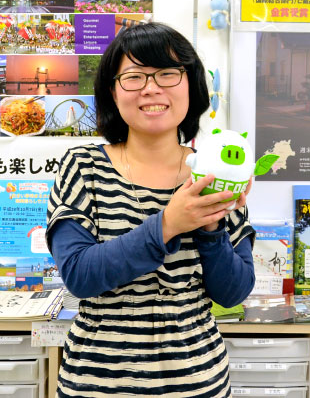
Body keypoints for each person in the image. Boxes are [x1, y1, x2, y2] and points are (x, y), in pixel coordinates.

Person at [46, 22, 255, 397]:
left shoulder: (217, 169)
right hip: (97, 383)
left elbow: (233, 292)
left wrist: (210, 228)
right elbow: (79, 276)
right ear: (112, 90)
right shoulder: (83, 166)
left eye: (167, 73)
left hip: (197, 382)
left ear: (191, 84)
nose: (151, 88)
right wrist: (168, 224)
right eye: (134, 77)